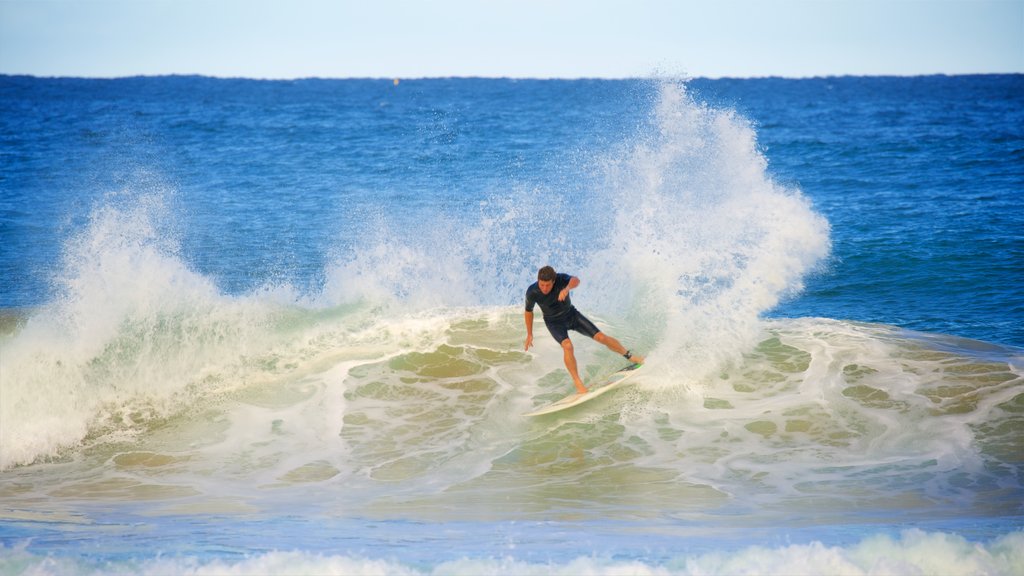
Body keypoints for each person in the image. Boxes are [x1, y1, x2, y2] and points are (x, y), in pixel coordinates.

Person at [524, 266, 644, 394]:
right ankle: (578, 384)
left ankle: (630, 357)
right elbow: (528, 311)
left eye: (547, 285)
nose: (544, 288)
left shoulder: (560, 279)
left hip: (572, 315)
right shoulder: (532, 292)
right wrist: (530, 334)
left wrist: (567, 288)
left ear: (553, 281)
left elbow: (576, 280)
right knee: (568, 346)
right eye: (542, 285)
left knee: (601, 337)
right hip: (554, 323)